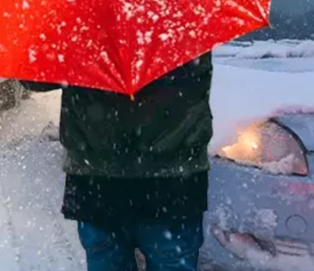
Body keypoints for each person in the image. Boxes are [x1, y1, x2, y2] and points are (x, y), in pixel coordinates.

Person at [20, 52, 214, 271]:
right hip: (174, 183)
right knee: (171, 259)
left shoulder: (81, 29)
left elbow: (32, 75)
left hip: (97, 181)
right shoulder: (184, 24)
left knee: (107, 258)